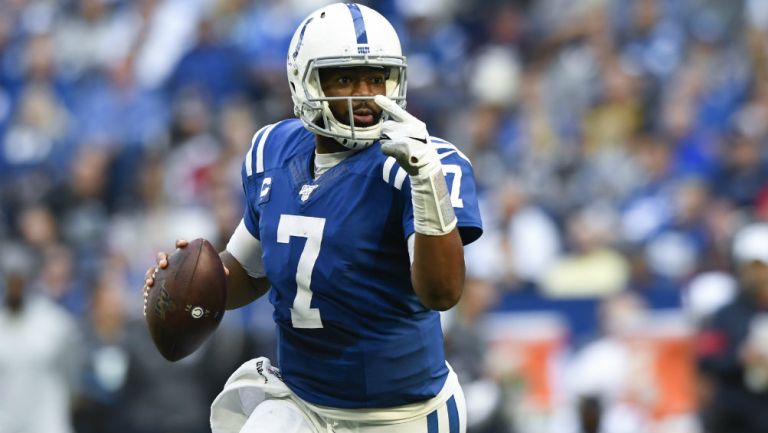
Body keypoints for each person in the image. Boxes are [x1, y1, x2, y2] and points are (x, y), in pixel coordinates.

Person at [143, 3, 482, 433]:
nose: (366, 93)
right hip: (300, 404)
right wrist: (187, 282)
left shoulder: (426, 164)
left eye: (376, 78)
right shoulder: (273, 151)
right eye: (344, 78)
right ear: (303, 80)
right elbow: (247, 271)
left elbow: (442, 292)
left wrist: (426, 179)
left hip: (401, 415)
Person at [697, 222, 768, 433]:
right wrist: (739, 357)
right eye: (751, 268)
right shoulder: (726, 314)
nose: (758, 275)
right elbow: (707, 358)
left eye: (761, 268)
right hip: (737, 412)